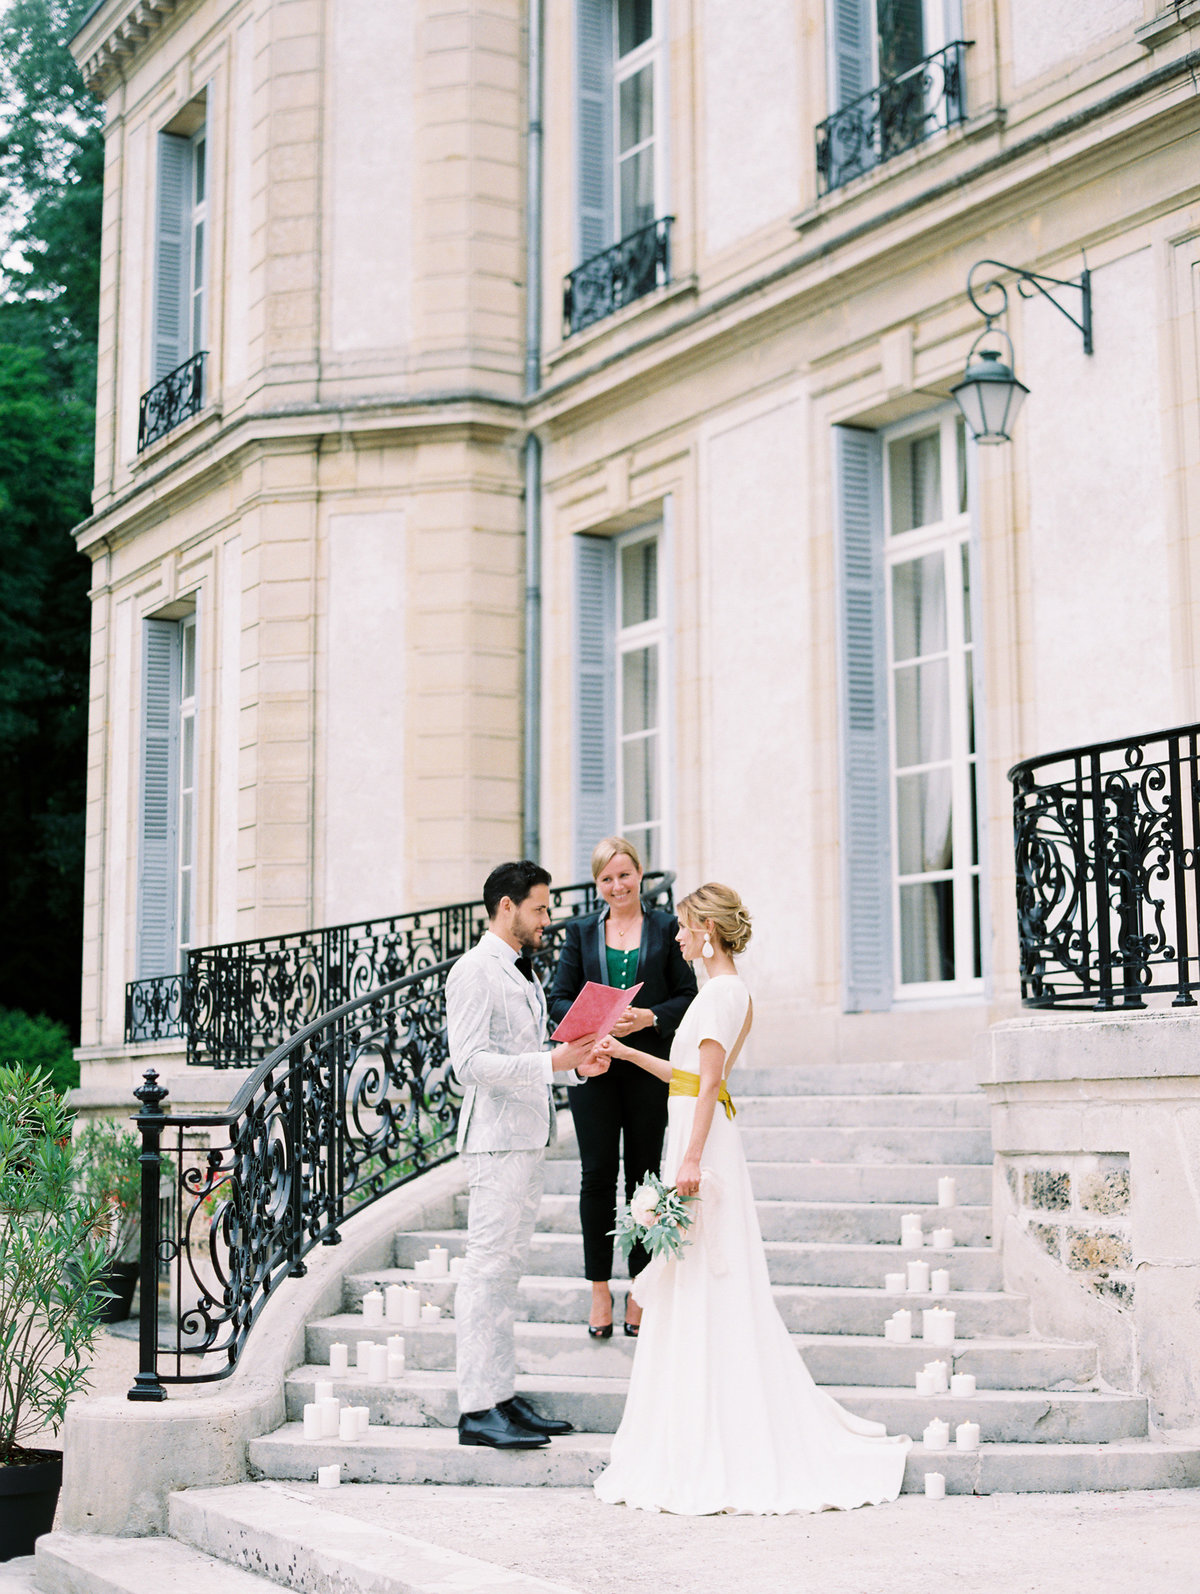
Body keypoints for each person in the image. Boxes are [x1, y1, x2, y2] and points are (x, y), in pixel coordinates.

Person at [592, 882, 910, 1514]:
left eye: (683, 928)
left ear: (706, 932)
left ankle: (713, 1438)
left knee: (707, 1278)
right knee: (694, 1281)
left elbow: (709, 1086)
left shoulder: (719, 995)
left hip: (699, 1146)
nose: (676, 937)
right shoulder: (724, 994)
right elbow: (686, 1078)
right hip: (695, 1132)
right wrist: (626, 1052)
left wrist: (687, 1159)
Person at [446, 859, 608, 1450]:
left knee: (506, 1276)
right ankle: (475, 1410)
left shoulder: (523, 973)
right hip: (493, 1143)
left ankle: (502, 1397)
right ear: (506, 906)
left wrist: (575, 1068)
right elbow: (469, 1065)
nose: (549, 918)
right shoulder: (473, 971)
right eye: (540, 908)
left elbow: (531, 1055)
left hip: (528, 1136)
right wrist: (551, 1062)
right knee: (485, 1272)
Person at [548, 837, 697, 1338]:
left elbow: (687, 996)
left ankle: (640, 1288)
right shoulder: (579, 932)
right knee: (595, 1177)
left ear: (640, 875)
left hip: (649, 1065)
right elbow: (559, 997)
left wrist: (650, 1017)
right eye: (607, 879)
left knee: (645, 1176)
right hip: (594, 1069)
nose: (617, 886)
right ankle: (597, 1288)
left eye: (625, 875)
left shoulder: (666, 926)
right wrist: (586, 1034)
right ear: (598, 885)